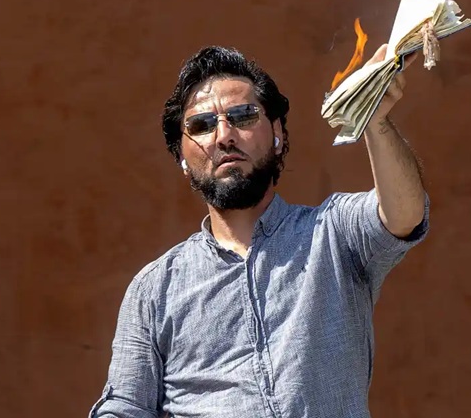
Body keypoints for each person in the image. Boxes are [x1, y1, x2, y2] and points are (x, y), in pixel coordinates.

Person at [90, 43, 430, 418]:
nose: (224, 135)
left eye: (243, 116)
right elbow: (125, 406)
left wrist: (376, 122)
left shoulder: (332, 235)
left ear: (277, 133)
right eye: (201, 125)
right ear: (182, 158)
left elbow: (403, 215)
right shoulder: (155, 289)